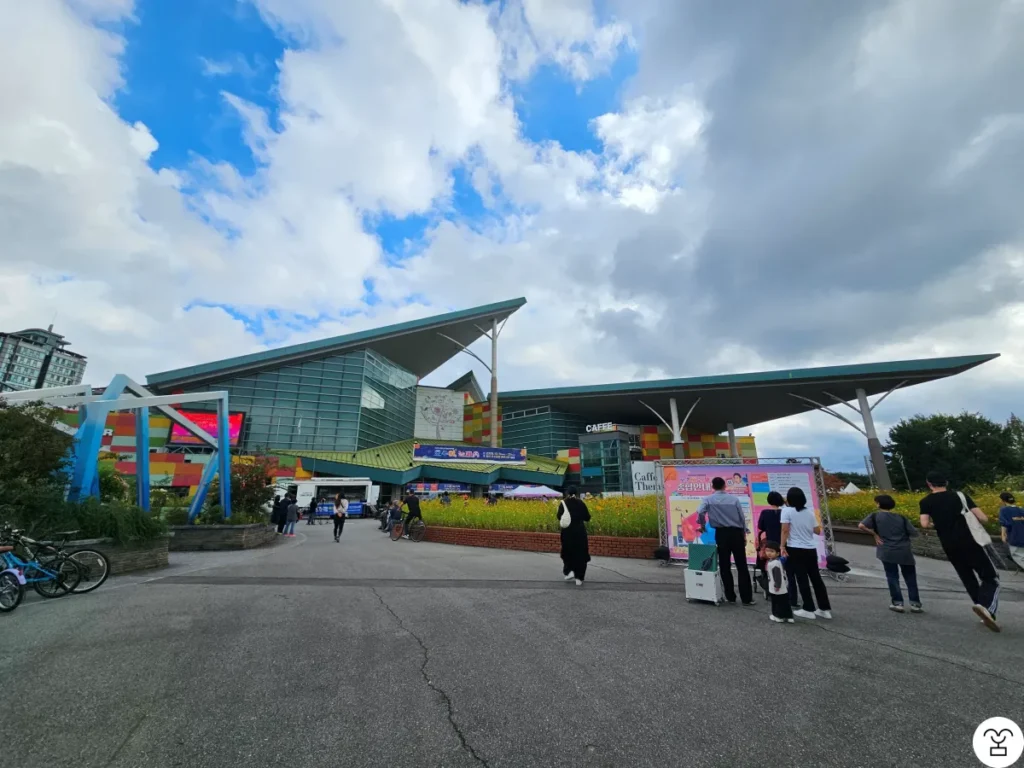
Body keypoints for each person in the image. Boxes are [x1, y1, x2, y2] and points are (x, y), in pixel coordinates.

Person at [919, 471, 1000, 631]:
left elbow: (924, 524)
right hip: (971, 541)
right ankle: (987, 608)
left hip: (949, 545)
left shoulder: (925, 501)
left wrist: (939, 525)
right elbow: (983, 518)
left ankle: (981, 608)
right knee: (991, 577)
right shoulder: (960, 496)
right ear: (946, 483)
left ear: (929, 484)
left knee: (967, 577)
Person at [694, 477, 753, 605]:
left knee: (725, 566)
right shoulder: (734, 499)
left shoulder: (708, 499)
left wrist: (703, 525)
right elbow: (742, 518)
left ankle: (730, 597)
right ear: (724, 485)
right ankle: (747, 598)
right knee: (742, 565)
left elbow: (700, 512)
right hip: (736, 533)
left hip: (721, 534)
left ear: (713, 486)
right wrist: (743, 533)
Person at [859, 494, 921, 613]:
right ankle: (915, 604)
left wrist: (875, 534)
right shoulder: (901, 517)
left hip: (886, 549)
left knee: (892, 576)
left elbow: (861, 525)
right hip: (904, 551)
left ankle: (898, 603)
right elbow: (914, 533)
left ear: (878, 504)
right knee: (910, 577)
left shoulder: (875, 516)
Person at [781, 486, 831, 620]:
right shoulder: (809, 512)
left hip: (795, 548)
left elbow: (785, 530)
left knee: (801, 578)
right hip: (810, 549)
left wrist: (782, 546)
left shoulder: (787, 511)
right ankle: (824, 608)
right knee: (816, 578)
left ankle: (808, 608)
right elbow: (817, 531)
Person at [755, 491, 798, 606]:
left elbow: (761, 527)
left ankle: (770, 588)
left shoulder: (765, 513)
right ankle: (791, 595)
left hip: (770, 545)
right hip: (784, 544)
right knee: (788, 570)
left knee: (768, 567)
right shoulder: (786, 512)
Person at [558, 486, 591, 585]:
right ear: (576, 493)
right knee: (580, 553)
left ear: (567, 493)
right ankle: (579, 578)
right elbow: (587, 517)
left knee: (568, 551)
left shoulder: (563, 503)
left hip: (567, 532)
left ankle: (569, 571)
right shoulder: (581, 503)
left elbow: (559, 517)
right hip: (580, 532)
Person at [761, 540, 793, 624]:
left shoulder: (773, 563)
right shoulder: (778, 561)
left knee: (777, 602)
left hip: (776, 587)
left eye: (772, 551)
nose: (769, 553)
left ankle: (778, 616)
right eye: (767, 551)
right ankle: (789, 616)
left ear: (777, 553)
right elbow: (784, 558)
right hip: (783, 586)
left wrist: (777, 585)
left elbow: (777, 576)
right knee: (785, 602)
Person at [998, 492, 1024, 571]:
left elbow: (1004, 523)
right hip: (1022, 535)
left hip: (1014, 536)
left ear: (1003, 501)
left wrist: (1003, 535)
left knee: (1017, 556)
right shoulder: (1020, 509)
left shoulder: (1004, 510)